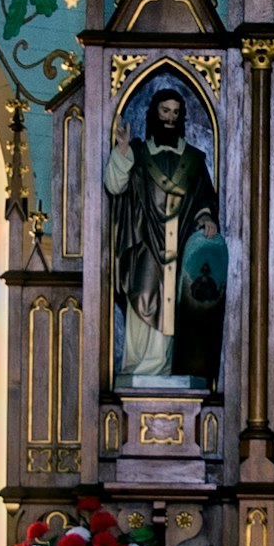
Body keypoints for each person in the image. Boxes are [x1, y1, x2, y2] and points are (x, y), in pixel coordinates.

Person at [105, 85, 222, 385]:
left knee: (176, 309)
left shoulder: (194, 160)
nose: (170, 118)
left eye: (176, 113)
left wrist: (206, 216)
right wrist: (121, 153)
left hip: (180, 246)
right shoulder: (138, 153)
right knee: (143, 301)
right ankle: (140, 369)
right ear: (154, 113)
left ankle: (167, 370)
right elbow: (115, 186)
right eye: (165, 111)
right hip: (144, 245)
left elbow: (205, 198)